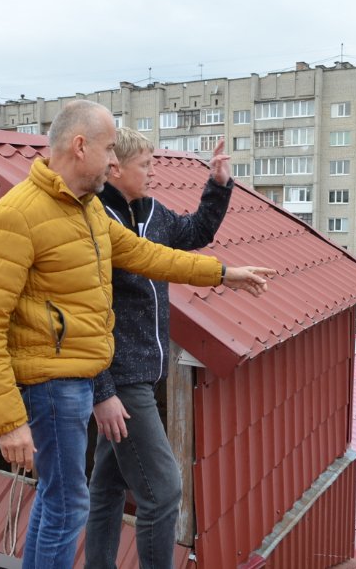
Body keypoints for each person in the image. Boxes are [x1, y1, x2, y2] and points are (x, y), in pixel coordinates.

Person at [0, 99, 275, 569]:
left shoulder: (87, 212)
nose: (114, 161)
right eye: (109, 149)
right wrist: (8, 422)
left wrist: (223, 273)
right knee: (68, 504)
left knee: (60, 498)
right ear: (80, 146)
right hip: (51, 385)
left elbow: (150, 256)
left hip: (78, 381)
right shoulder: (15, 216)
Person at [85, 129, 238, 568]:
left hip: (145, 375)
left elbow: (196, 231)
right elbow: (83, 315)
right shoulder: (96, 221)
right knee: (164, 491)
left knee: (107, 485)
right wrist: (103, 389)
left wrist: (218, 186)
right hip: (121, 380)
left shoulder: (153, 213)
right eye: (145, 165)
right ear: (116, 168)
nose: (152, 173)